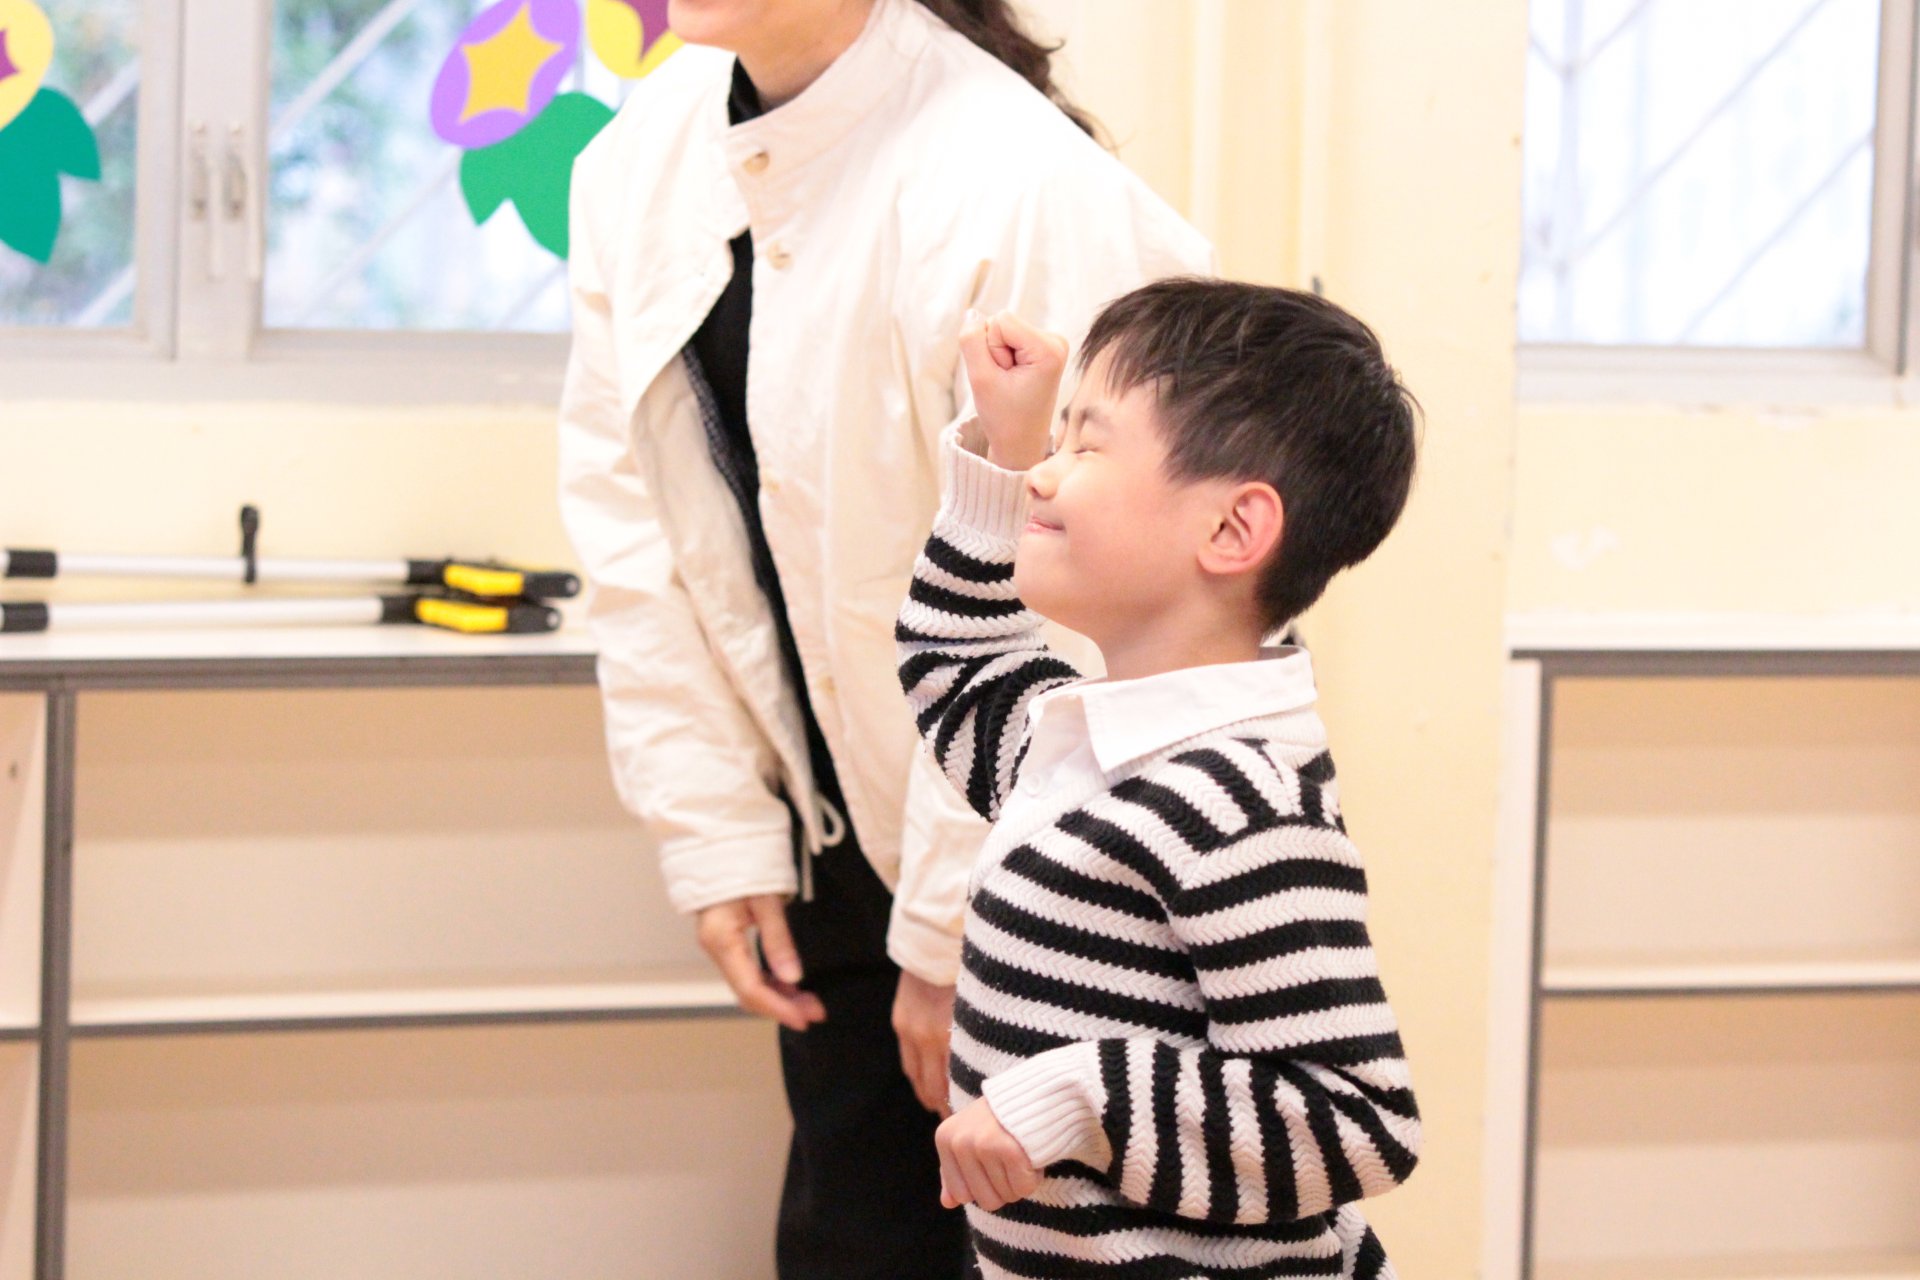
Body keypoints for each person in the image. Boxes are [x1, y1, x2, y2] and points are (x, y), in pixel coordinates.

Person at [556, 0, 1212, 1274]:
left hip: (1041, 860)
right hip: (832, 827)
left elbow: (1079, 598)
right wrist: (714, 828)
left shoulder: (1021, 181)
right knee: (851, 1237)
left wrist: (957, 929)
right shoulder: (639, 158)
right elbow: (633, 516)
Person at [893, 279, 1424, 1278]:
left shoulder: (1235, 803)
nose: (1047, 476)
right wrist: (1005, 449)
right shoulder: (1086, 753)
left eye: (1086, 447)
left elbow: (1356, 1120)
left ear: (1230, 531)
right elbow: (953, 658)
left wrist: (1080, 1096)